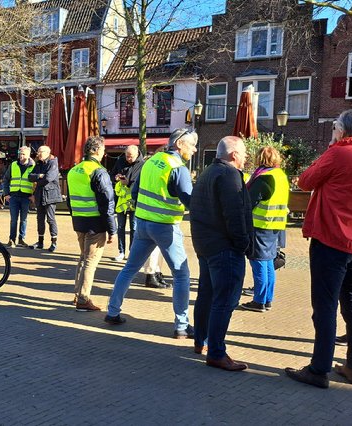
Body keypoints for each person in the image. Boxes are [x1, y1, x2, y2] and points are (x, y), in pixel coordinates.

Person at [286, 109, 352, 389]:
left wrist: (332, 147)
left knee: (325, 306)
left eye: (336, 129)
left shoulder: (340, 152)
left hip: (333, 240)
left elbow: (305, 181)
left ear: (344, 130)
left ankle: (318, 369)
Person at [104, 128, 197, 339]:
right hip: (165, 227)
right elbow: (191, 202)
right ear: (179, 144)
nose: (194, 148)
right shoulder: (178, 168)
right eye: (191, 144)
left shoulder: (151, 162)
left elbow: (135, 192)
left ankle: (112, 312)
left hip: (143, 224)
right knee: (181, 275)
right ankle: (182, 325)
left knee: (129, 269)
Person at [190, 136, 252, 371]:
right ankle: (216, 352)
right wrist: (242, 243)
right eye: (244, 153)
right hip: (223, 247)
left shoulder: (208, 172)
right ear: (234, 154)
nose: (246, 157)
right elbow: (235, 213)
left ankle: (201, 341)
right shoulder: (229, 175)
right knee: (225, 299)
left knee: (207, 294)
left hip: (206, 245)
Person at [67, 136, 116, 312]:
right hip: (96, 223)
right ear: (96, 151)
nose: (104, 154)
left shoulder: (74, 170)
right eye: (103, 150)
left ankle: (77, 294)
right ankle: (83, 299)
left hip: (79, 221)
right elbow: (107, 202)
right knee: (90, 261)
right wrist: (112, 229)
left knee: (83, 258)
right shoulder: (98, 171)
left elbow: (70, 201)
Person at [240, 146, 289, 313]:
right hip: (276, 225)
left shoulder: (264, 177)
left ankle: (259, 301)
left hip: (261, 225)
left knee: (259, 261)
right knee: (268, 262)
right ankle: (267, 299)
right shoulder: (280, 175)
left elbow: (249, 201)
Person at [27, 145, 61, 251]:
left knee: (50, 219)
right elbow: (30, 177)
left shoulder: (53, 162)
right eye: (38, 152)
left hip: (50, 195)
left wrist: (39, 178)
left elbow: (49, 178)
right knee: (40, 219)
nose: (38, 154)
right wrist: (40, 176)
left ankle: (54, 242)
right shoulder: (39, 163)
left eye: (40, 152)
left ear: (47, 152)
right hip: (40, 194)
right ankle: (40, 242)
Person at [113, 145, 143, 262]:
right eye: (127, 156)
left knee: (134, 227)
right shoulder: (121, 161)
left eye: (131, 157)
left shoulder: (142, 164)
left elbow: (142, 182)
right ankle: (121, 251)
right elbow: (112, 173)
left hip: (135, 200)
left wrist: (129, 183)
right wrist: (115, 177)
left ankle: (132, 252)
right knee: (120, 227)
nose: (128, 159)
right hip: (121, 200)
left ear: (137, 155)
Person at [1, 146, 35, 248]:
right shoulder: (13, 165)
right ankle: (12, 239)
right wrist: (6, 194)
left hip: (26, 197)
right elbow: (6, 179)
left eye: (23, 154)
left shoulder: (33, 166)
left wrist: (33, 195)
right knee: (13, 219)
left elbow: (38, 182)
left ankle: (21, 239)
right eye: (20, 154)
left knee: (24, 219)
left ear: (28, 155)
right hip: (14, 197)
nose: (21, 156)